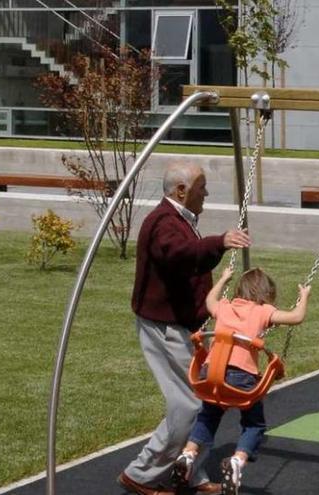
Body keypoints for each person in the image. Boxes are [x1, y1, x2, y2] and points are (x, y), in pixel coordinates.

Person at [118, 163, 251, 495]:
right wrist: (218, 242)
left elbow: (189, 263)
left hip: (181, 326)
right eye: (201, 187)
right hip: (164, 328)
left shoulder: (180, 220)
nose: (206, 193)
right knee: (188, 404)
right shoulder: (163, 223)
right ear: (181, 191)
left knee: (202, 398)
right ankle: (143, 473)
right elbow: (178, 254)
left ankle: (190, 472)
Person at [171, 267, 311, 495]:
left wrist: (223, 279)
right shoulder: (262, 310)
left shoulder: (224, 306)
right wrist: (304, 297)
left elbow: (209, 301)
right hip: (240, 378)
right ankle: (237, 461)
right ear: (266, 294)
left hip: (210, 374)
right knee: (254, 424)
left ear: (238, 289)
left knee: (209, 414)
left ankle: (188, 454)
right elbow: (296, 317)